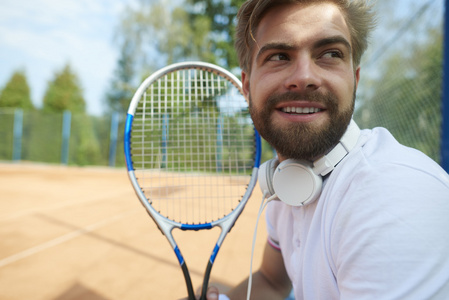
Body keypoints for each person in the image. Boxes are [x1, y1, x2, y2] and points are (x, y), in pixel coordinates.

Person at [201, 0, 449, 299]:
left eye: (330, 54)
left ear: (354, 80)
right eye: (279, 56)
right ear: (247, 86)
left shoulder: (394, 197)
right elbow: (271, 280)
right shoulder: (287, 185)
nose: (304, 77)